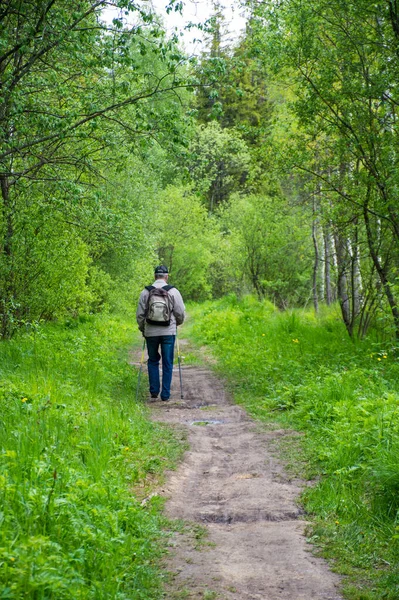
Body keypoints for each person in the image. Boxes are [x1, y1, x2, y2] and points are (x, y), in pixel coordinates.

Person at [136, 265, 185, 401]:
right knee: (167, 362)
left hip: (151, 332)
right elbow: (180, 312)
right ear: (166, 276)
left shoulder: (146, 292)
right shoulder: (173, 291)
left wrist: (143, 329)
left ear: (154, 276)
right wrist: (177, 324)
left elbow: (140, 315)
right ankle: (165, 394)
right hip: (168, 332)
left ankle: (154, 391)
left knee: (152, 361)